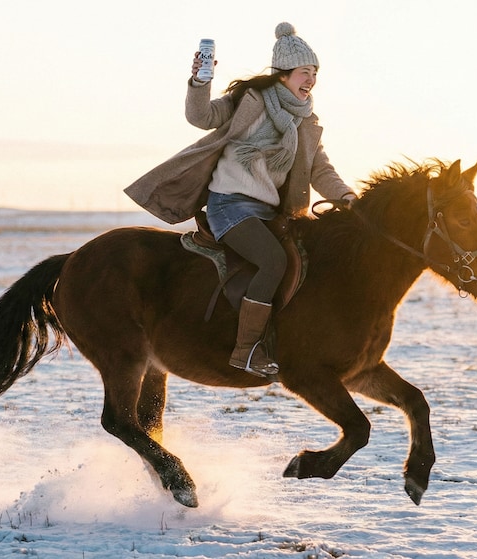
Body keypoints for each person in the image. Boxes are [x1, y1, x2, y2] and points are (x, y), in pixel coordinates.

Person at [124, 22, 357, 377]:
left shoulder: (306, 123)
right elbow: (201, 117)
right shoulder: (249, 102)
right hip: (230, 206)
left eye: (314, 73)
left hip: (270, 213)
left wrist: (347, 197)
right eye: (304, 72)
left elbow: (320, 169)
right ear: (282, 74)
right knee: (273, 261)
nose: (311, 79)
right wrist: (199, 82)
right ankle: (246, 350)